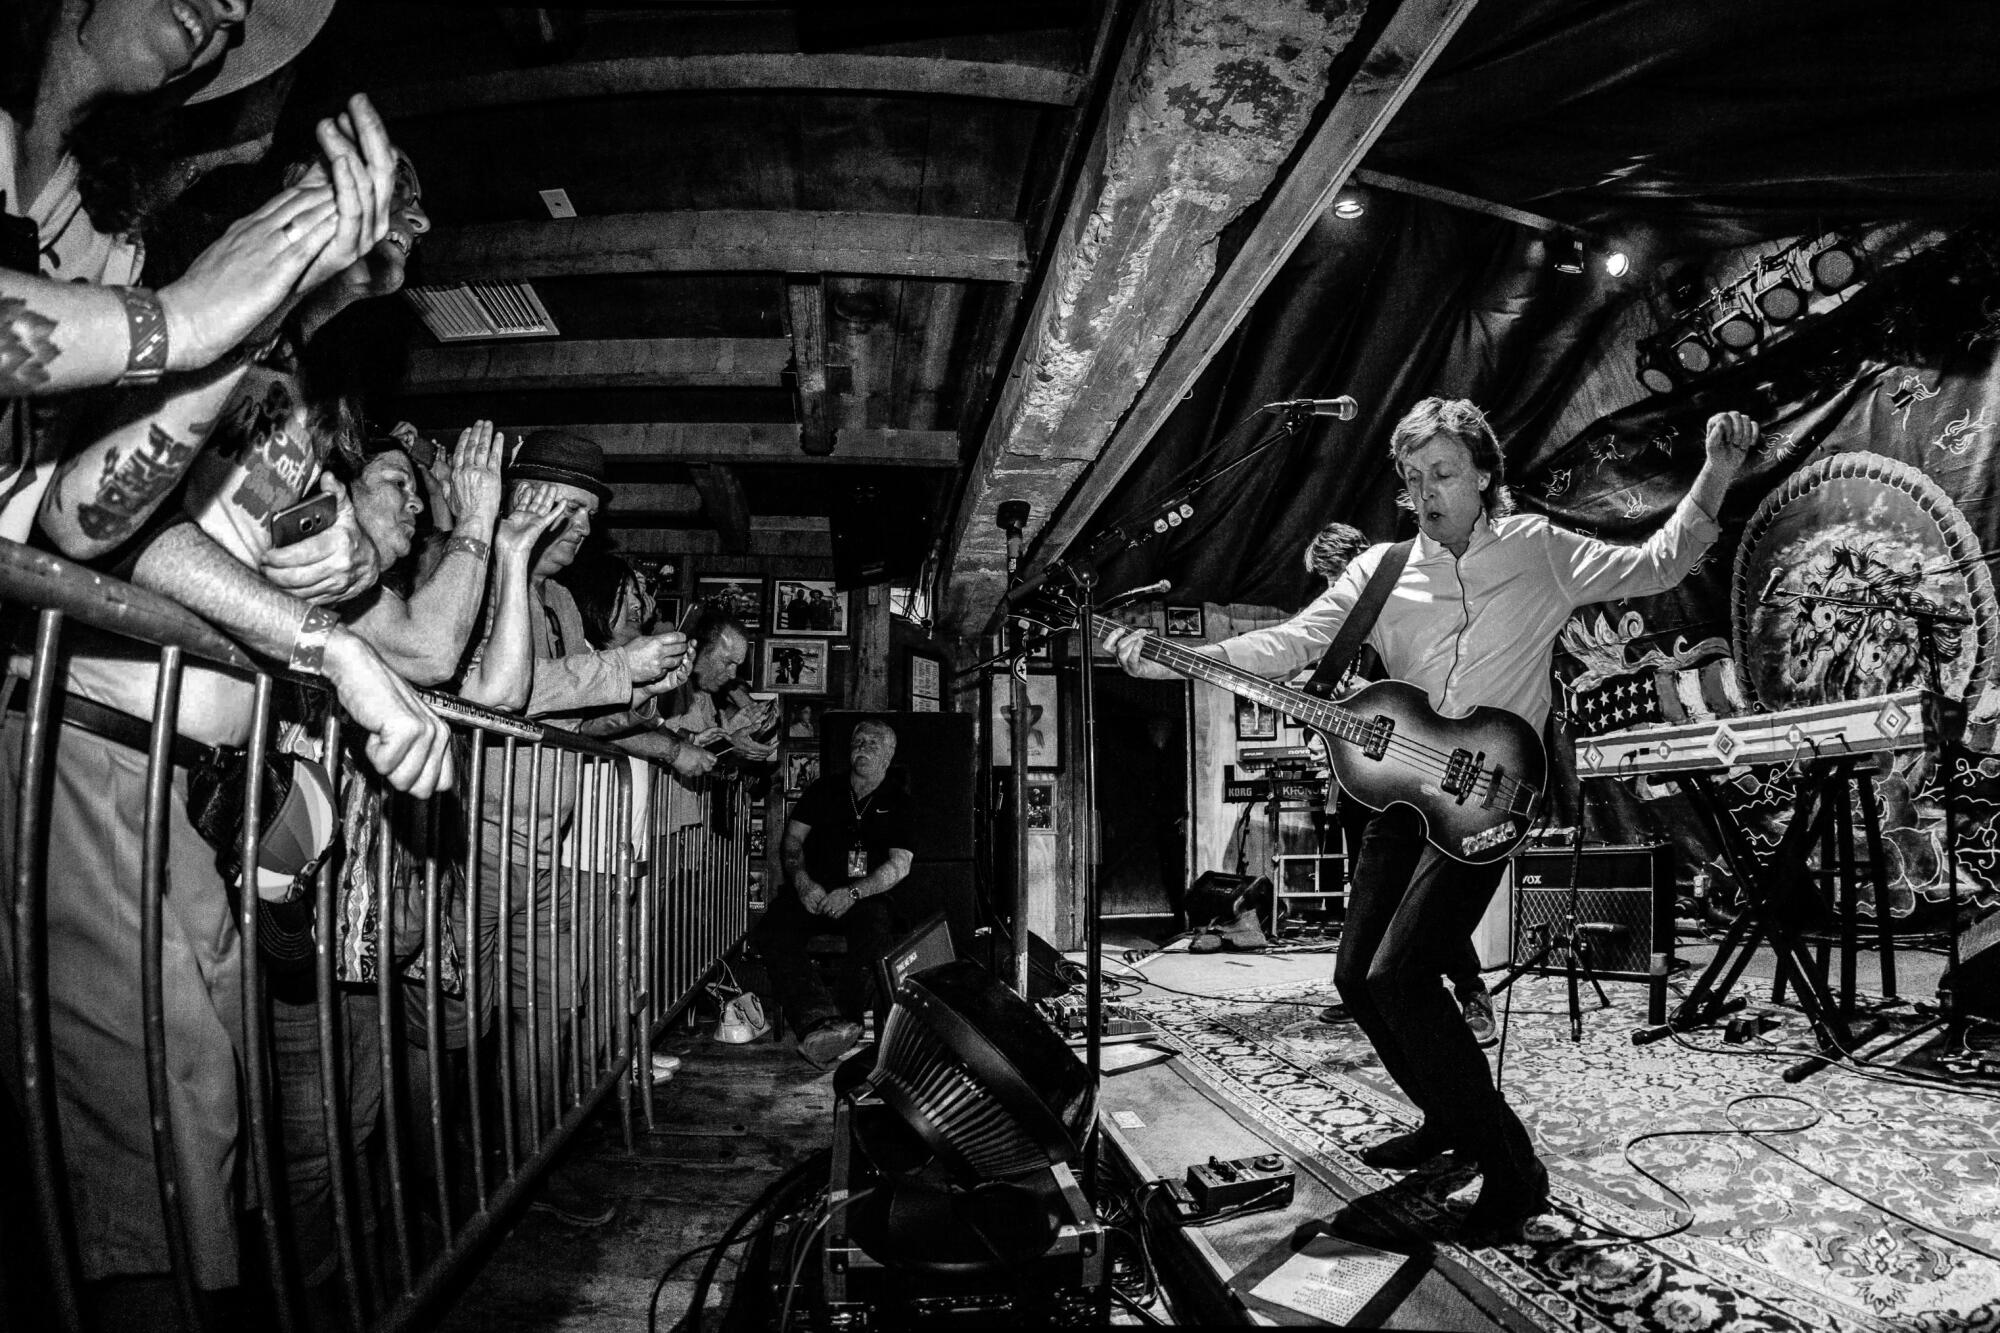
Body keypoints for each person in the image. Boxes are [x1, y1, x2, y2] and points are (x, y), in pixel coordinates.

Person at [1107, 398, 1755, 1238]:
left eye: (1443, 472)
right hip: (1403, 798)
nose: (1427, 491)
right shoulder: (1380, 570)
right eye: (1413, 479)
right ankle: (1446, 1115)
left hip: (1492, 791)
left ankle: (1513, 1170)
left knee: (1401, 976)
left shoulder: (1538, 550)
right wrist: (1187, 659)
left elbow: (1662, 561)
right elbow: (1294, 643)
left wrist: (1718, 470)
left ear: (1484, 474)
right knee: (1353, 976)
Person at [1304, 521, 1498, 1047]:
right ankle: (1367, 987)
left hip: (1418, 778)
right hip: (1361, 778)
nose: (1330, 591)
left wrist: (1361, 690)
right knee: (1367, 889)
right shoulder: (1346, 635)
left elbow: (1428, 699)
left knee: (1422, 893)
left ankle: (1470, 991)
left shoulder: (1403, 608)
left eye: (1333, 577)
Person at [755, 720, 917, 1069]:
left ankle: (847, 1021)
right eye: (858, 741)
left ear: (889, 754)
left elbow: (899, 865)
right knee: (771, 928)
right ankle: (818, 1021)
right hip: (814, 889)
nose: (863, 747)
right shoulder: (824, 790)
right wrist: (801, 881)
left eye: (873, 743)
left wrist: (854, 892)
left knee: (874, 931)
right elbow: (792, 841)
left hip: (865, 896)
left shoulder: (899, 802)